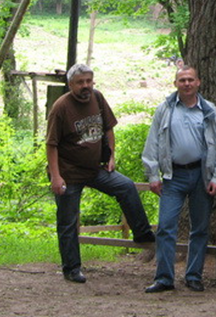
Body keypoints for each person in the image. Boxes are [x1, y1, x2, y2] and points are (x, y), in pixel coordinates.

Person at [46, 62, 156, 284]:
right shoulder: (61, 107)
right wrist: (56, 177)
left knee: (125, 186)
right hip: (69, 173)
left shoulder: (97, 98)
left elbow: (108, 128)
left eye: (88, 81)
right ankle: (72, 268)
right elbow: (51, 145)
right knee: (67, 220)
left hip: (95, 169)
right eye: (80, 83)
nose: (85, 86)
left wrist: (111, 156)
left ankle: (142, 233)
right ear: (70, 85)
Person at [142, 66, 216, 293]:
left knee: (200, 228)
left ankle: (193, 276)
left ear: (198, 82)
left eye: (190, 79)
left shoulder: (209, 110)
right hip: (173, 176)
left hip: (202, 175)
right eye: (182, 80)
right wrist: (152, 174)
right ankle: (164, 278)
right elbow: (153, 142)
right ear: (176, 83)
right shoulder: (165, 109)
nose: (187, 83)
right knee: (166, 226)